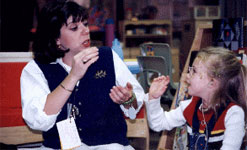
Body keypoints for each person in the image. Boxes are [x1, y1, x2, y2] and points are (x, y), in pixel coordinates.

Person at [20, 0, 145, 149]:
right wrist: (73, 77)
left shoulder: (107, 56)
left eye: (85, 24)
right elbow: (37, 120)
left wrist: (128, 99)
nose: (86, 31)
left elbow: (134, 104)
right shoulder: (36, 69)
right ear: (56, 38)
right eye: (74, 28)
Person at [146, 47, 247, 150]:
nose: (187, 76)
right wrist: (153, 98)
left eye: (193, 71)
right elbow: (158, 124)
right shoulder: (190, 106)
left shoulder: (233, 114)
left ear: (212, 83)